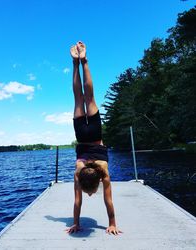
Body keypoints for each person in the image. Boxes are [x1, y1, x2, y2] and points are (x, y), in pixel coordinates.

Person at [66, 41, 122, 235]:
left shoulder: (103, 170)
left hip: (96, 135)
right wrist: (75, 222)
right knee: (79, 97)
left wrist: (113, 222)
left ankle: (84, 61)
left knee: (88, 97)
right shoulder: (78, 171)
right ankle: (77, 63)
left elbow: (107, 200)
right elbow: (77, 201)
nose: (90, 194)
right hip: (82, 135)